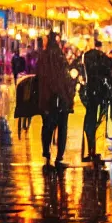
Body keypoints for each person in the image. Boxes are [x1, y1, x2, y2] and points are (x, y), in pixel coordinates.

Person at [37, 31, 74, 168]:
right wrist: (68, 95)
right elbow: (65, 78)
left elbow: (39, 76)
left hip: (46, 99)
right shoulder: (59, 56)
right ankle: (59, 157)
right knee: (62, 126)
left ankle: (46, 151)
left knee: (47, 126)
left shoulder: (42, 56)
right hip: (60, 97)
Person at [82, 40, 112, 161]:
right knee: (100, 121)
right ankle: (96, 150)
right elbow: (110, 69)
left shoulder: (88, 58)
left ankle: (91, 149)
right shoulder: (104, 59)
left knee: (90, 120)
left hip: (91, 92)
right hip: (101, 94)